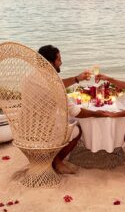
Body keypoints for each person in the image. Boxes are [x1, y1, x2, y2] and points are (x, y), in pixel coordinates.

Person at [37, 44, 104, 174]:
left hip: (26, 128)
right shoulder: (52, 84)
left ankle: (55, 161)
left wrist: (76, 79)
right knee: (76, 130)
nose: (61, 62)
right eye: (59, 59)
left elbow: (57, 84)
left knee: (62, 119)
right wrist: (97, 113)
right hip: (44, 131)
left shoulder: (36, 76)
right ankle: (56, 162)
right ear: (50, 62)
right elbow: (76, 112)